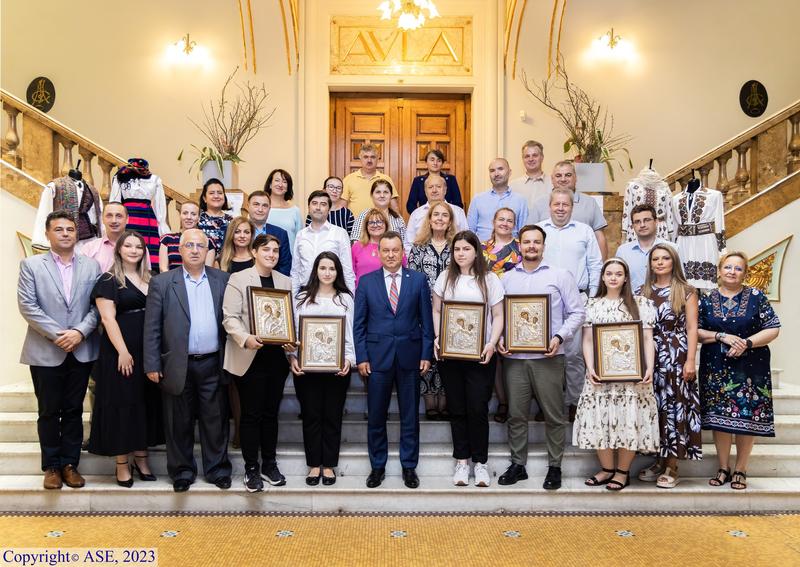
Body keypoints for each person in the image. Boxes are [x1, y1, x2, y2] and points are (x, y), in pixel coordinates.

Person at [143, 228, 232, 493]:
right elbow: (152, 327)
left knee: (215, 420)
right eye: (189, 245)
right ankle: (182, 472)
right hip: (176, 364)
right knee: (177, 421)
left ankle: (217, 470)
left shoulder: (222, 280)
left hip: (213, 362)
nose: (194, 250)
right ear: (179, 250)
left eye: (200, 246)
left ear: (208, 251)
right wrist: (151, 364)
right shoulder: (162, 282)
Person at [496, 224, 585, 490]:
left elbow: (578, 313)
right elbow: (498, 316)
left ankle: (555, 467)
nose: (531, 246)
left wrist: (559, 337)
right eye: (526, 242)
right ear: (519, 245)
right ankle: (518, 465)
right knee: (516, 414)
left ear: (543, 246)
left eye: (537, 242)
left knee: (554, 415)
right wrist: (500, 340)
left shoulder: (560, 276)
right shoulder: (507, 279)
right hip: (515, 359)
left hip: (549, 357)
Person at [17, 211, 101, 489]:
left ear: (77, 234)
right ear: (48, 233)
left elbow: (97, 307)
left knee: (74, 409)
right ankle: (51, 466)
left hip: (81, 348)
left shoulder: (91, 266)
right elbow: (28, 306)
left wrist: (79, 332)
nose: (65, 234)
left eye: (70, 229)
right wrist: (59, 335)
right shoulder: (31, 265)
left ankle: (70, 464)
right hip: (45, 351)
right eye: (59, 229)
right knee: (49, 411)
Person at [354, 231, 434, 489]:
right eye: (385, 250)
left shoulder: (418, 280)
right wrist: (362, 356)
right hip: (377, 359)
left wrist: (425, 353)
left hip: (410, 357)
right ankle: (377, 467)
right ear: (379, 253)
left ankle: (409, 467)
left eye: (395, 250)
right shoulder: (366, 282)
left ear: (403, 253)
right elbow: (359, 325)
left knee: (410, 416)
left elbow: (426, 322)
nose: (390, 255)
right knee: (376, 415)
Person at [574, 258, 659, 492]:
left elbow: (647, 339)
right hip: (600, 376)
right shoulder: (593, 305)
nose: (613, 277)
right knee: (600, 419)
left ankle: (622, 472)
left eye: (618, 274)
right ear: (602, 277)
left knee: (628, 419)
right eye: (609, 273)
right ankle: (607, 469)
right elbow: (588, 341)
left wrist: (649, 367)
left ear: (626, 278)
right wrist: (590, 367)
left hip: (632, 378)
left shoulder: (641, 304)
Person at [698, 252, 781, 490]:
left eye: (738, 268)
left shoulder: (756, 296)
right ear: (719, 270)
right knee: (720, 420)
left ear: (745, 273)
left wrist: (747, 343)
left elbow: (773, 328)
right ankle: (723, 467)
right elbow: (696, 331)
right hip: (716, 367)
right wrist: (720, 336)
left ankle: (741, 469)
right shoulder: (706, 299)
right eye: (728, 267)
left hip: (750, 368)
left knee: (748, 418)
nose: (732, 272)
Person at [88, 231, 163, 487]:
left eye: (138, 246)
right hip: (121, 353)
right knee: (123, 405)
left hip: (148, 351)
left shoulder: (152, 278)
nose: (133, 250)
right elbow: (108, 318)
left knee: (145, 403)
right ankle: (122, 464)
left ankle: (142, 458)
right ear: (118, 250)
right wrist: (122, 351)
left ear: (144, 251)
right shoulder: (109, 280)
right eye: (128, 246)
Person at [221, 234, 293, 492]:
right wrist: (245, 338)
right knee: (250, 414)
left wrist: (291, 341)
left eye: (275, 251)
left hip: (276, 358)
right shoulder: (238, 279)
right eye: (266, 250)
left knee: (270, 414)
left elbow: (290, 319)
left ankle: (269, 465)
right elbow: (229, 318)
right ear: (254, 252)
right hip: (248, 356)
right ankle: (251, 468)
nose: (271, 254)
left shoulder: (286, 281)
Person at [432, 231, 504, 487]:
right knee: (457, 408)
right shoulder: (445, 278)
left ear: (476, 251)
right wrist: (438, 337)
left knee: (478, 408)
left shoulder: (489, 279)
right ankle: (462, 462)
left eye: (466, 248)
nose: (461, 253)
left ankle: (480, 463)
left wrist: (492, 343)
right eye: (457, 249)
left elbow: (498, 315)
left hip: (480, 356)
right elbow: (437, 310)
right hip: (451, 355)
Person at [289, 252, 356, 486]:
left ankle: (328, 465)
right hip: (306, 370)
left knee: (332, 415)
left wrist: (349, 359)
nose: (327, 273)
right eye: (323, 268)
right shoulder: (302, 299)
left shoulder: (345, 299)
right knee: (311, 415)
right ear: (315, 270)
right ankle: (313, 464)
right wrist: (292, 358)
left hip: (336, 369)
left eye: (332, 268)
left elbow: (350, 335)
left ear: (338, 272)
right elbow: (294, 334)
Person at [639, 243, 701, 489]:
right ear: (650, 263)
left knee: (675, 408)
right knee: (655, 408)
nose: (660, 262)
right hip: (649, 356)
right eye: (656, 259)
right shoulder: (641, 291)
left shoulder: (685, 290)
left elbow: (692, 328)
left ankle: (672, 465)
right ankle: (658, 460)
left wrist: (690, 360)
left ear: (674, 261)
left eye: (665, 258)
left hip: (676, 356)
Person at [540, 188, 603, 421]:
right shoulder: (540, 230)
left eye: (565, 204)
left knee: (574, 355)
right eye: (556, 204)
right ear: (550, 206)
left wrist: (594, 297)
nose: (560, 208)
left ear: (571, 207)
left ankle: (575, 403)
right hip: (545, 302)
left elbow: (596, 265)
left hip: (578, 299)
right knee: (547, 355)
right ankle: (550, 405)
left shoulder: (584, 231)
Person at [408, 201, 456, 420]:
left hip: (452, 311)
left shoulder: (458, 246)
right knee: (427, 352)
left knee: (446, 355)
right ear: (429, 219)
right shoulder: (418, 247)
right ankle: (429, 403)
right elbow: (411, 279)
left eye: (444, 215)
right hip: (424, 309)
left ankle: (445, 402)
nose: (439, 218)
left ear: (450, 221)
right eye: (435, 214)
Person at [480, 207, 522, 424]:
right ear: (493, 221)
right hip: (487, 308)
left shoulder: (521, 247)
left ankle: (516, 403)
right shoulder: (481, 247)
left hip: (515, 306)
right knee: (494, 355)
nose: (505, 223)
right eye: (501, 219)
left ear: (514, 224)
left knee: (512, 357)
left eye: (509, 220)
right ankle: (502, 402)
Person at [528, 161, 609, 259]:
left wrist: (602, 268)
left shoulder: (590, 202)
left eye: (568, 175)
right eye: (558, 175)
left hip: (580, 267)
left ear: (575, 178)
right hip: (547, 266)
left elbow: (599, 238)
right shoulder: (539, 203)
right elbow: (528, 236)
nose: (563, 179)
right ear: (552, 179)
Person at [292, 190, 355, 296]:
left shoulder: (340, 233)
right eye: (314, 203)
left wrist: (350, 301)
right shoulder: (301, 235)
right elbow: (295, 271)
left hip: (332, 293)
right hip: (305, 293)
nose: (318, 207)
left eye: (323, 204)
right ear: (309, 207)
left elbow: (347, 270)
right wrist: (293, 302)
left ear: (329, 209)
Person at [110, 158, 171, 270]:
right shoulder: (120, 177)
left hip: (148, 220)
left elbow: (160, 204)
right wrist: (116, 219)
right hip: (128, 218)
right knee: (127, 246)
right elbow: (115, 202)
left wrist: (162, 224)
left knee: (149, 253)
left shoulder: (155, 179)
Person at [615, 204, 677, 292]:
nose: (642, 225)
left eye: (647, 220)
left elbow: (680, 281)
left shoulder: (672, 248)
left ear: (656, 222)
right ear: (632, 226)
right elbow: (617, 282)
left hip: (666, 302)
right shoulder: (623, 251)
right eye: (637, 222)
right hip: (632, 303)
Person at [467, 158, 528, 241]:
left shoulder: (520, 200)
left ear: (510, 172)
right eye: (492, 170)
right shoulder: (477, 199)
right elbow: (470, 232)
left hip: (512, 251)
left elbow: (523, 232)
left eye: (500, 169)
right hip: (482, 251)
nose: (496, 174)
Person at [405, 173, 468, 253]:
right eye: (430, 187)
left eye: (438, 187)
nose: (434, 190)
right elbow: (408, 244)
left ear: (445, 190)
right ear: (425, 191)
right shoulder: (416, 214)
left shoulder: (458, 212)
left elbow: (466, 240)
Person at [351, 208, 407, 288]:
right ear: (366, 226)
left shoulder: (395, 245)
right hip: (362, 293)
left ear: (386, 224)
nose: (375, 225)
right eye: (371, 222)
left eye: (379, 222)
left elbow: (404, 269)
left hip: (390, 293)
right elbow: (350, 274)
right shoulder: (357, 247)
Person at [245, 190, 292, 276]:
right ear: (248, 206)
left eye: (265, 206)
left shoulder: (281, 234)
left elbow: (285, 265)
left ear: (269, 209)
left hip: (272, 285)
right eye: (256, 205)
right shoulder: (236, 231)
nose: (260, 209)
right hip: (242, 281)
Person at [159, 201, 216, 272]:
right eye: (185, 213)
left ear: (198, 218)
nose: (189, 217)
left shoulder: (208, 241)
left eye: (193, 214)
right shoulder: (167, 239)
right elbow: (163, 268)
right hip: (171, 281)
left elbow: (208, 271)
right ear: (180, 215)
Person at [342, 143, 398, 216]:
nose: (369, 160)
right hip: (354, 225)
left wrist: (397, 224)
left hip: (380, 225)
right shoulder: (348, 179)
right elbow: (343, 207)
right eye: (365, 157)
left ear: (378, 158)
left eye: (373, 157)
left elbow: (394, 207)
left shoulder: (386, 179)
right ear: (360, 157)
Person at [350, 179, 408, 245]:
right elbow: (355, 241)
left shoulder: (398, 218)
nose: (382, 195)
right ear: (372, 195)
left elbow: (404, 244)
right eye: (378, 192)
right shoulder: (364, 215)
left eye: (386, 192)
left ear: (391, 195)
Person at [406, 149, 463, 213]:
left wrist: (448, 215)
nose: (435, 163)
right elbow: (410, 205)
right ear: (426, 162)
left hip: (446, 218)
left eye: (439, 160)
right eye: (432, 160)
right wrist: (422, 215)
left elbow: (458, 204)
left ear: (442, 163)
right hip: (424, 219)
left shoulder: (451, 180)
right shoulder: (418, 181)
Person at [80, 201, 129, 272]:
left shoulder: (137, 249)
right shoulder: (89, 249)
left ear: (127, 219)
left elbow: (145, 278)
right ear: (102, 218)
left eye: (119, 216)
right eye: (109, 216)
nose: (114, 220)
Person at [264, 169, 303, 251]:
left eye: (284, 182)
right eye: (277, 180)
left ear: (288, 187)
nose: (280, 184)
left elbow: (300, 240)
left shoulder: (295, 210)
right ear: (270, 184)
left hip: (289, 259)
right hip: (264, 257)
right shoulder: (261, 208)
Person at [509, 140, 553, 211]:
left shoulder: (553, 183)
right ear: (523, 159)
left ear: (542, 157)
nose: (531, 159)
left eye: (535, 155)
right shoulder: (512, 186)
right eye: (527, 156)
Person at [197, 178, 233, 253]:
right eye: (211, 193)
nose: (216, 196)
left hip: (226, 262)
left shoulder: (232, 221)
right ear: (204, 198)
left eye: (220, 193)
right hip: (202, 261)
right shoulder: (197, 219)